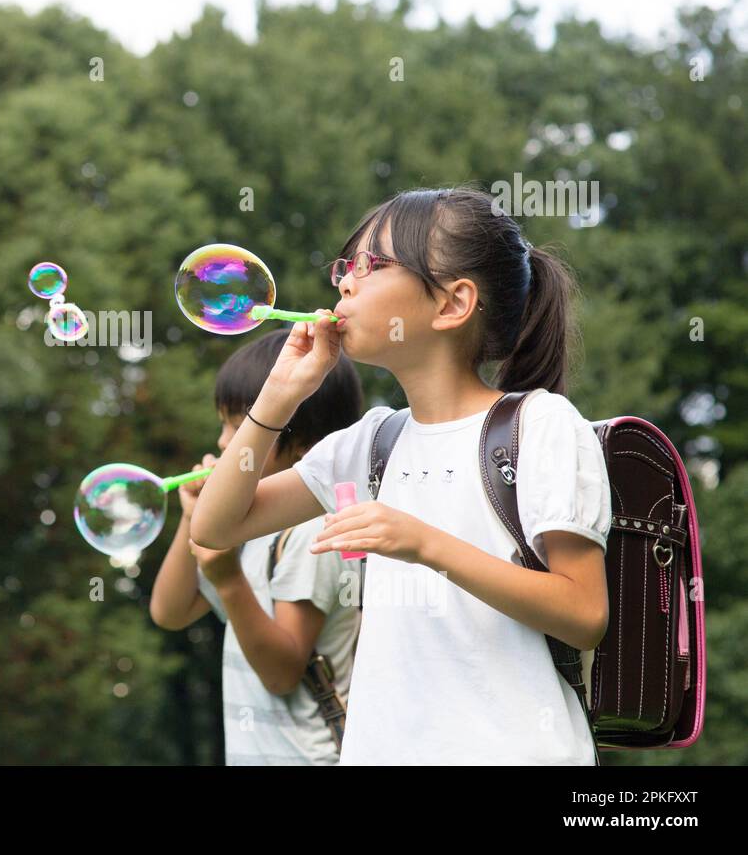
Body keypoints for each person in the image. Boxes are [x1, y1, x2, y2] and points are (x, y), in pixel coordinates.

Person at [190, 187, 612, 765]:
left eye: (371, 265)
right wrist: (282, 391)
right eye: (347, 266)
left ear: (451, 304)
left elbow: (584, 614)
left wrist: (423, 543)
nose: (344, 283)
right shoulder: (372, 443)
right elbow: (216, 525)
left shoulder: (538, 425)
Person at [150, 330, 364, 764]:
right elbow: (170, 613)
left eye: (241, 424)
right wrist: (195, 520)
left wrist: (228, 581)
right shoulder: (246, 527)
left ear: (305, 445)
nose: (225, 442)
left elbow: (282, 672)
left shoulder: (311, 529)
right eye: (224, 423)